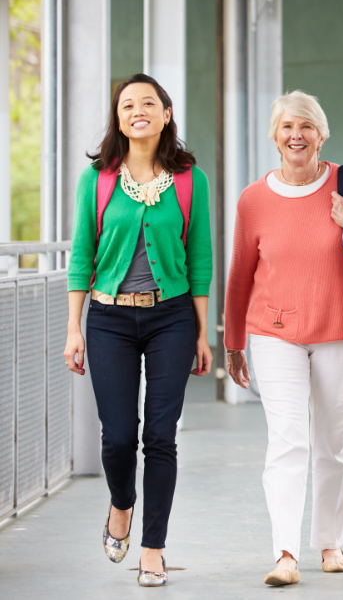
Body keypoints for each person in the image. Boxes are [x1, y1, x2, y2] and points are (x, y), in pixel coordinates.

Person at [63, 73, 213, 587]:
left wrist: (200, 331)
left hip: (171, 317)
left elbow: (200, 257)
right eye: (128, 104)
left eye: (149, 102)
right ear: (119, 118)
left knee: (161, 437)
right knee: (119, 437)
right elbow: (82, 254)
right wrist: (73, 327)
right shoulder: (97, 179)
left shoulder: (190, 179)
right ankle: (121, 503)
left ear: (166, 114)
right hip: (108, 320)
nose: (138, 110)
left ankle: (152, 548)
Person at [224, 91, 343, 587]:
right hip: (275, 333)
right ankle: (285, 552)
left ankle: (331, 542)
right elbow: (241, 273)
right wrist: (233, 341)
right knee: (288, 441)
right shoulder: (254, 199)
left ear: (321, 134)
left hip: (342, 327)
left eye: (306, 126)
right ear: (274, 136)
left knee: (336, 442)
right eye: (288, 126)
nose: (296, 135)